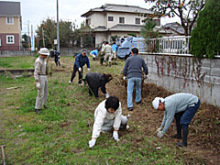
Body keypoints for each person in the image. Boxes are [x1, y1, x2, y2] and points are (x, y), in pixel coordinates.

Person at [34, 48, 50, 114]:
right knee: (40, 93)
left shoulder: (44, 60)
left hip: (44, 76)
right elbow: (36, 72)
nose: (46, 56)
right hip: (40, 77)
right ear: (41, 54)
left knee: (45, 92)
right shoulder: (38, 61)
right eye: (45, 55)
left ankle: (44, 104)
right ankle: (37, 107)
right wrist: (37, 81)